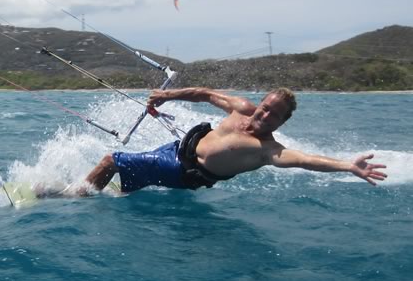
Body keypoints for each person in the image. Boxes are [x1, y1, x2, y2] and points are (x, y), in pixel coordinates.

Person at [83, 87, 387, 193]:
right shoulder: (241, 107)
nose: (265, 116)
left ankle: (76, 195)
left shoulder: (267, 150)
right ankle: (108, 191)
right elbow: (205, 94)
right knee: (128, 181)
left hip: (183, 171)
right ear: (261, 103)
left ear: (282, 122)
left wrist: (349, 166)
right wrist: (167, 95)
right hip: (176, 150)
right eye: (266, 108)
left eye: (275, 116)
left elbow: (306, 160)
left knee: (112, 160)